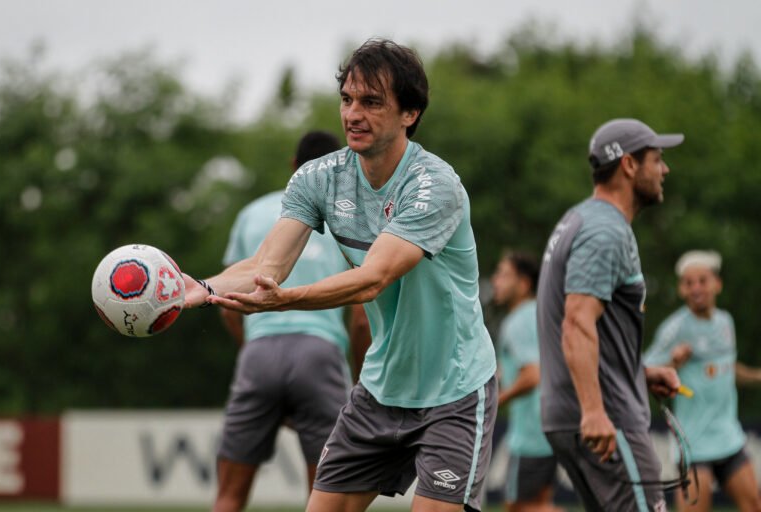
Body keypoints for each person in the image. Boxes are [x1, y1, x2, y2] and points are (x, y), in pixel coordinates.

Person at [185, 38, 498, 512]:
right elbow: (264, 267)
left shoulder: (435, 186)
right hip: (380, 389)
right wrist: (201, 288)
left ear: (409, 114)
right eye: (347, 100)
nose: (353, 114)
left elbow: (373, 278)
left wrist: (284, 299)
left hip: (454, 390)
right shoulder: (318, 177)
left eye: (372, 103)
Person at [213, 130, 371, 512]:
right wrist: (359, 381)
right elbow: (362, 317)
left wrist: (254, 350)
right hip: (321, 355)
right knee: (325, 498)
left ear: (292, 166)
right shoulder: (350, 217)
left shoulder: (251, 213)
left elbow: (227, 304)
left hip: (259, 354)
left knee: (229, 497)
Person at [536, 118, 685, 511]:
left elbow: (588, 325)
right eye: (657, 159)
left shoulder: (579, 219)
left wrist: (638, 371)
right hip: (607, 420)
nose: (664, 169)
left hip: (573, 415)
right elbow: (576, 323)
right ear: (630, 165)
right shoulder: (605, 231)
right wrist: (594, 411)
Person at [644, 250, 761, 512]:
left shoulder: (725, 322)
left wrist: (756, 375)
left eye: (702, 280)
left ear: (717, 284)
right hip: (693, 444)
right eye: (689, 282)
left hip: (728, 437)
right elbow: (642, 371)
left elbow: (726, 368)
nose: (696, 288)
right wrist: (673, 363)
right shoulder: (675, 329)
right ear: (681, 289)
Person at [491, 250, 564, 512]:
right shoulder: (541, 314)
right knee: (541, 503)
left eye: (503, 274)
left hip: (530, 433)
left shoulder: (518, 321)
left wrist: (496, 401)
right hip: (549, 427)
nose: (495, 281)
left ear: (523, 284)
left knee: (518, 508)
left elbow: (532, 375)